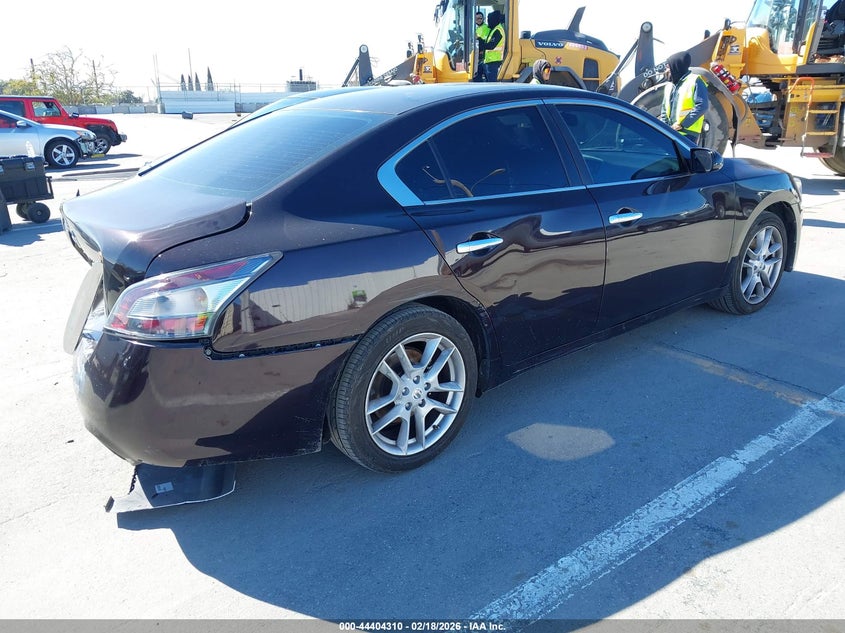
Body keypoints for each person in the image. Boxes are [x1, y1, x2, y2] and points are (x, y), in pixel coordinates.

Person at [661, 51, 709, 144]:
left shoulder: (695, 80)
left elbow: (702, 106)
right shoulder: (669, 86)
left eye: (668, 67)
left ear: (676, 66)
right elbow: (664, 110)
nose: (666, 71)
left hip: (687, 133)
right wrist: (665, 128)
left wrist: (682, 124)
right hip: (670, 133)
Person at [479, 10, 506, 83]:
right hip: (488, 61)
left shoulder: (498, 30)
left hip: (493, 62)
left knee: (492, 83)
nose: (488, 22)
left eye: (489, 20)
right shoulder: (494, 29)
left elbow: (491, 45)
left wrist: (480, 43)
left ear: (493, 19)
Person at [473, 11, 490, 82]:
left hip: (483, 54)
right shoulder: (478, 28)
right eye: (477, 19)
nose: (479, 20)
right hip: (479, 53)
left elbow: (481, 41)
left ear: (483, 19)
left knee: (480, 72)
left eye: (480, 18)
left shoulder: (485, 27)